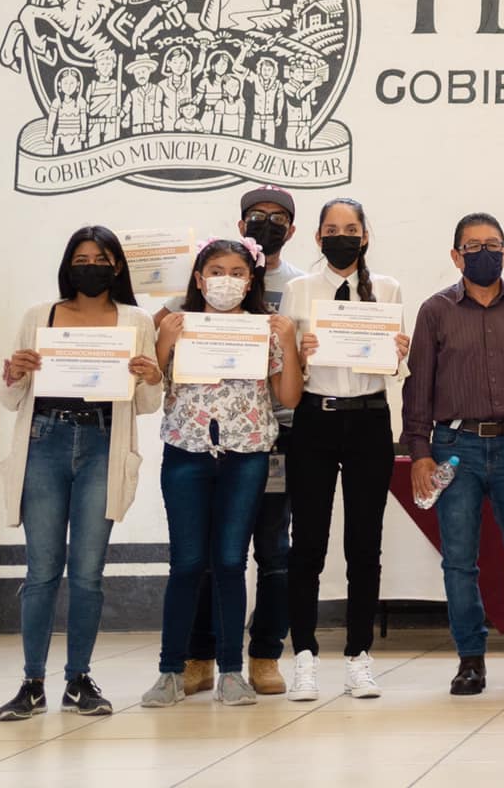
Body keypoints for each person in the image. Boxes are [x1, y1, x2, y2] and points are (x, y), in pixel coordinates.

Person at [0, 227, 163, 721]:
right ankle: (31, 682)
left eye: (101, 258)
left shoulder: (135, 320)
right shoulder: (38, 317)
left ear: (117, 267)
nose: (91, 265)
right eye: (82, 257)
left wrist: (152, 376)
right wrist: (14, 373)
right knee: (42, 571)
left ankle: (78, 680)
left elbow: (149, 403)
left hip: (102, 443)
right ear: (69, 264)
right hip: (43, 443)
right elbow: (10, 397)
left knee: (88, 574)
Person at [401, 212, 504, 696]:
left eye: (492, 245)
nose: (483, 253)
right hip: (453, 449)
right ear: (456, 256)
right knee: (458, 560)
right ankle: (469, 660)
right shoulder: (435, 311)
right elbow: (418, 388)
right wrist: (418, 452)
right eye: (472, 247)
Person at [143, 237, 303, 708]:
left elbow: (289, 397)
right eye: (216, 271)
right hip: (187, 453)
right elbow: (149, 387)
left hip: (247, 454)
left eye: (237, 272)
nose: (226, 281)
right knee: (189, 563)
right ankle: (171, 670)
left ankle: (233, 672)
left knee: (232, 562)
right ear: (198, 278)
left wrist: (289, 342)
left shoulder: (265, 329)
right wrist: (165, 342)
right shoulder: (176, 324)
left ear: (250, 280)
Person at [183, 186, 310, 697]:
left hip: (282, 434)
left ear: (293, 230)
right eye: (257, 216)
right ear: (240, 225)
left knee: (274, 552)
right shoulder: (215, 276)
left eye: (279, 218)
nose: (267, 223)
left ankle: (263, 655)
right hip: (214, 441)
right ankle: (199, 653)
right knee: (210, 552)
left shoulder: (303, 287)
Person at [281, 197, 408, 701]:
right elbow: (285, 372)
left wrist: (400, 352)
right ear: (317, 239)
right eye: (331, 229)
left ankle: (359, 655)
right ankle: (305, 657)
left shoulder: (389, 287)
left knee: (364, 543)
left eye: (351, 228)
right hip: (315, 418)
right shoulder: (298, 290)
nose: (341, 236)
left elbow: (395, 364)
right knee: (307, 543)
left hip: (371, 420)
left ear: (365, 236)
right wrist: (299, 351)